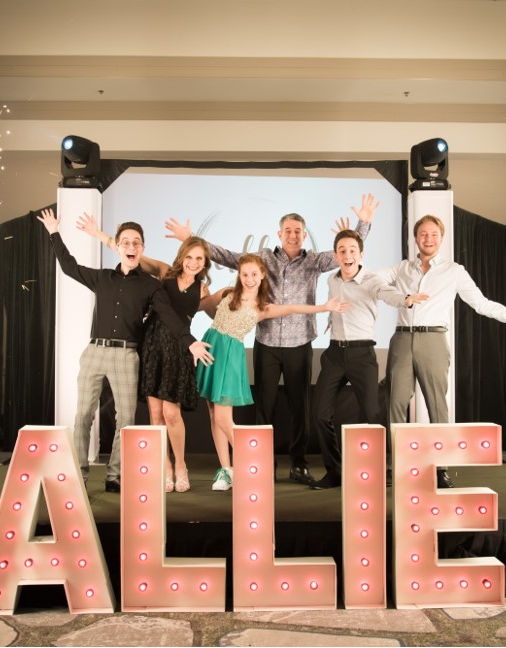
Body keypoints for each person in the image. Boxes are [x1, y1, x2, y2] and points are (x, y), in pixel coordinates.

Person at [164, 194, 378, 484]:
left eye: (298, 231)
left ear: (304, 235)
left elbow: (348, 252)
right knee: (265, 406)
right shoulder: (263, 259)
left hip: (299, 343)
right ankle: (262, 462)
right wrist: (192, 239)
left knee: (300, 406)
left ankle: (299, 463)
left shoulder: (314, 261)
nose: (293, 235)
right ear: (279, 234)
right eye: (288, 230)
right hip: (266, 343)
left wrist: (363, 223)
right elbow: (228, 256)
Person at [37, 208, 213, 493]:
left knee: (127, 420)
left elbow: (169, 315)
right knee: (82, 416)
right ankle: (79, 475)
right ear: (118, 247)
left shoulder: (152, 286)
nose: (131, 247)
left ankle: (115, 476)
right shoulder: (102, 277)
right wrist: (54, 232)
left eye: (136, 243)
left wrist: (189, 341)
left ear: (142, 249)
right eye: (125, 243)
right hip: (95, 352)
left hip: (128, 355)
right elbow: (69, 267)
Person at [374, 214, 506, 487]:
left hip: (433, 339)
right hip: (401, 339)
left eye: (433, 234)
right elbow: (372, 281)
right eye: (423, 234)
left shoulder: (454, 271)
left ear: (441, 238)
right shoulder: (401, 269)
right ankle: (394, 466)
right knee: (395, 403)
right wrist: (400, 297)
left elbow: (482, 304)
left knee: (437, 406)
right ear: (415, 238)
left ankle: (440, 468)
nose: (428, 239)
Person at [196, 254, 348, 491]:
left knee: (223, 418)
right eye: (245, 274)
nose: (249, 279)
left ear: (262, 275)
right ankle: (226, 470)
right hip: (210, 348)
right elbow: (201, 306)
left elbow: (294, 307)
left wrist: (324, 307)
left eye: (254, 274)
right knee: (213, 413)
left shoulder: (262, 307)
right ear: (239, 275)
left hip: (230, 357)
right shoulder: (227, 293)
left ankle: (254, 462)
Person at [308, 229, 428, 490]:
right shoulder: (331, 280)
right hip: (334, 354)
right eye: (342, 251)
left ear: (361, 255)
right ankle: (335, 472)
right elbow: (337, 306)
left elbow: (388, 293)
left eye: (352, 250)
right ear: (336, 256)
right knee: (319, 413)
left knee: (372, 414)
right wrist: (331, 321)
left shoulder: (372, 280)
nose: (347, 255)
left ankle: (379, 469)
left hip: (362, 354)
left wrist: (406, 299)